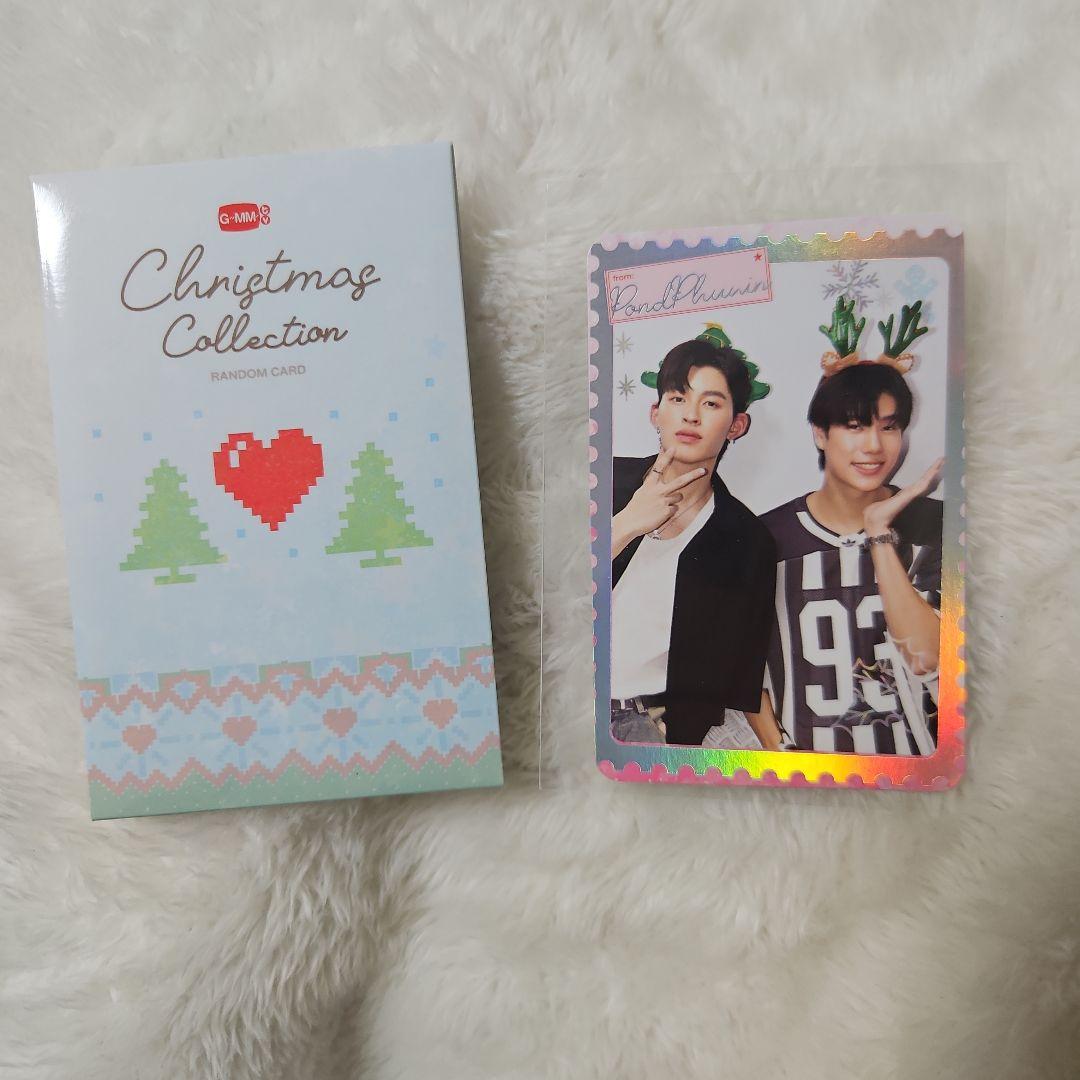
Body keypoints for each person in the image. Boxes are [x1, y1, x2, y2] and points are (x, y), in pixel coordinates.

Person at [752, 299, 943, 755]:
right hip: (809, 771)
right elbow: (738, 666)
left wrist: (879, 534)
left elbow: (927, 659)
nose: (874, 446)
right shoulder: (767, 538)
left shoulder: (934, 526)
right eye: (855, 426)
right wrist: (778, 749)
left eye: (889, 428)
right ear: (820, 433)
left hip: (918, 769)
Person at [609, 327, 777, 748]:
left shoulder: (746, 540)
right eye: (678, 398)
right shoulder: (602, 482)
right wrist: (625, 525)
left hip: (652, 731)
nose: (691, 416)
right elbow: (541, 601)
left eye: (711, 403)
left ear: (737, 424)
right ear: (656, 412)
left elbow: (741, 677)